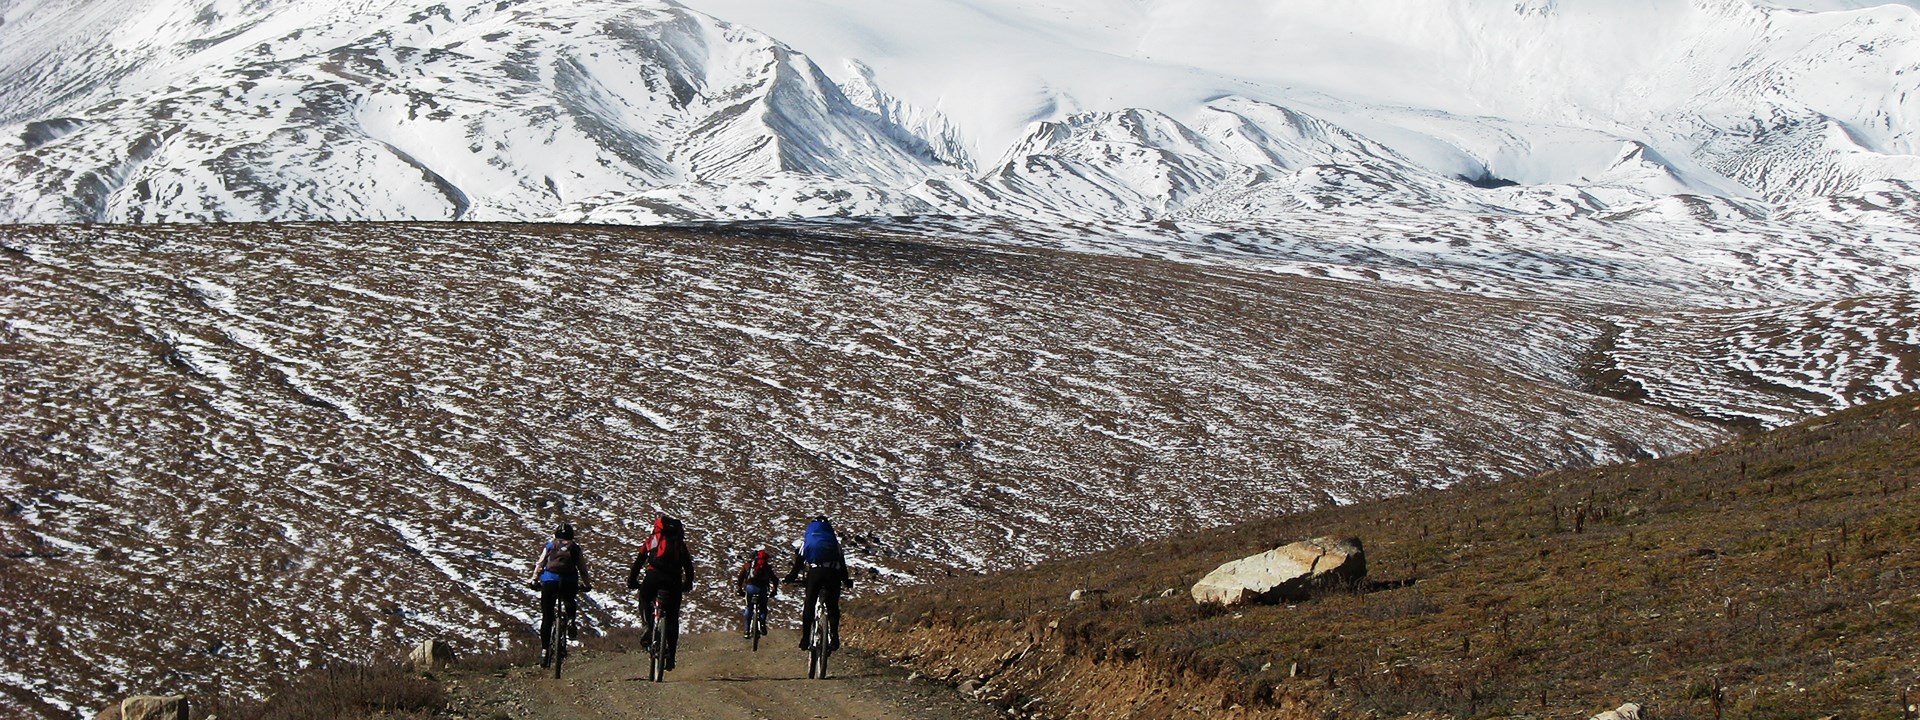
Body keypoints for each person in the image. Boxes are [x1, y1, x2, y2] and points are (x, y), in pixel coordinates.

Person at [627, 514, 696, 670]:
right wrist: (687, 584)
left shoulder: (653, 540)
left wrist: (632, 580)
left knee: (644, 597)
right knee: (672, 617)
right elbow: (689, 568)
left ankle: (647, 626)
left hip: (653, 576)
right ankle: (671, 656)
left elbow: (639, 560)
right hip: (673, 581)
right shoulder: (680, 544)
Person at [784, 516, 852, 652]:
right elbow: (842, 565)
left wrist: (791, 577)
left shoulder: (808, 540)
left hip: (815, 573)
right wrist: (846, 581)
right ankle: (834, 637)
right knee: (832, 606)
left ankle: (805, 639)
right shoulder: (834, 542)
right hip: (833, 574)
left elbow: (799, 562)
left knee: (810, 603)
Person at [530, 522, 592, 668]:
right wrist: (587, 584)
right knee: (569, 599)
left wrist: (534, 580)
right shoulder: (575, 548)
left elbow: (540, 564)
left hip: (550, 581)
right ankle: (571, 620)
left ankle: (545, 651)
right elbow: (582, 568)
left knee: (547, 617)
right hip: (569, 581)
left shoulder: (551, 546)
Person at [735, 548, 780, 639]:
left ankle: (747, 630)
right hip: (762, 589)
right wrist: (774, 590)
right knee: (763, 608)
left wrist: (739, 588)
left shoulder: (747, 566)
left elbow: (740, 578)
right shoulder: (767, 567)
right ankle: (762, 623)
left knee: (749, 608)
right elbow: (775, 579)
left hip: (750, 588)